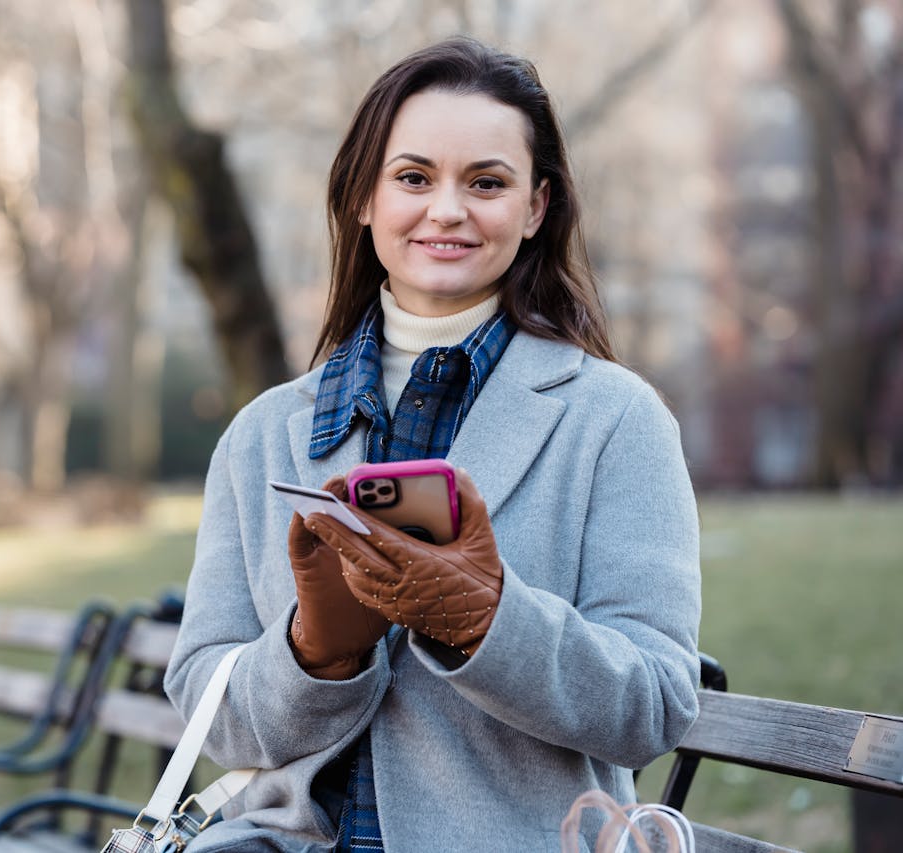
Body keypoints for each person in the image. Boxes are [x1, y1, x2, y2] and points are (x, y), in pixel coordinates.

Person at [164, 36, 700, 852]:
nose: (446, 209)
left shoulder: (616, 421)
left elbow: (655, 705)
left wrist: (487, 620)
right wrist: (315, 652)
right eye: (413, 177)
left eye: (486, 182)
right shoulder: (262, 435)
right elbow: (211, 705)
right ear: (364, 199)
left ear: (535, 208)